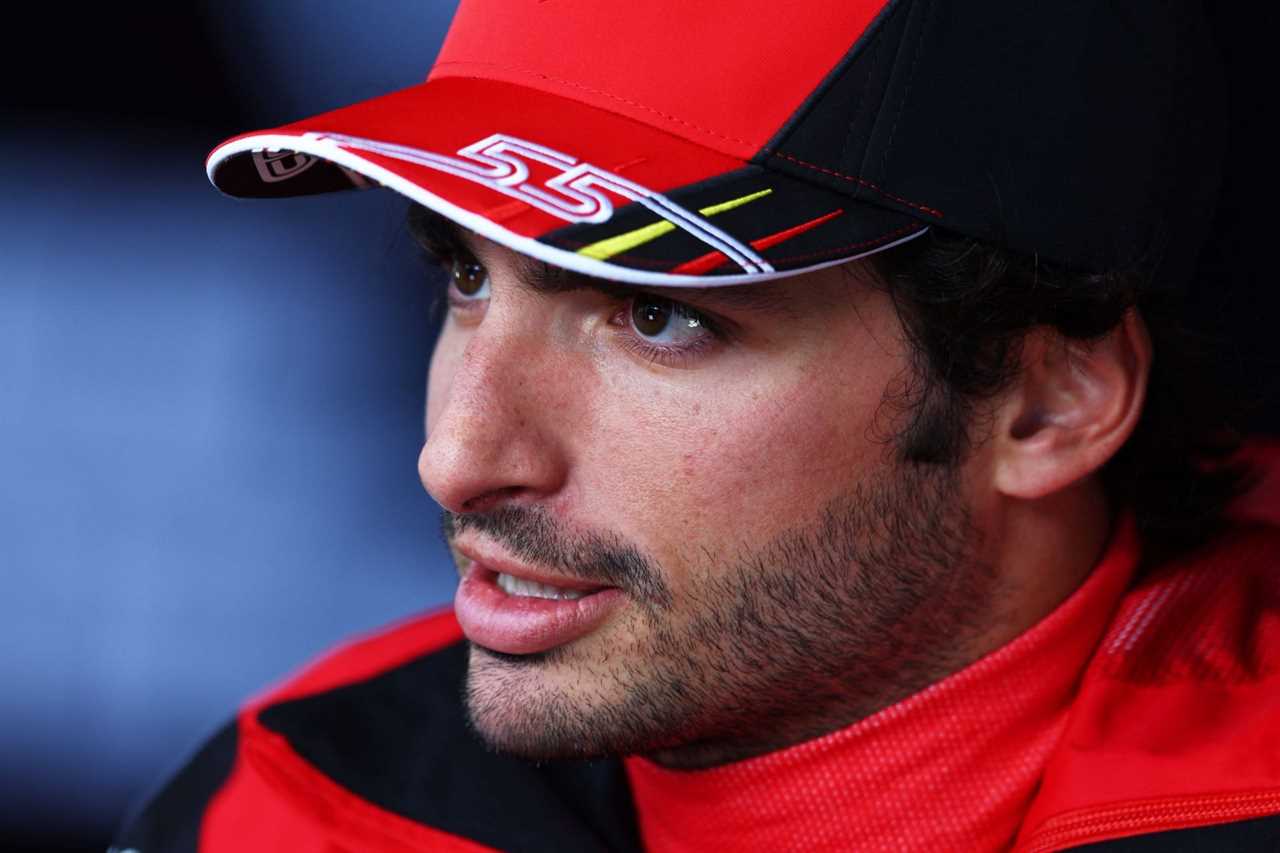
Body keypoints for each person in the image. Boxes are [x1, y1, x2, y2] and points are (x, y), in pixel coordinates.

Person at [115, 0, 1280, 850]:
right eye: (465, 278)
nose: (457, 458)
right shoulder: (295, 809)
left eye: (659, 316)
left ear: (1044, 402)